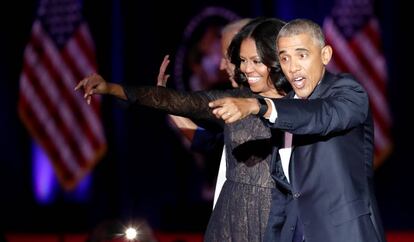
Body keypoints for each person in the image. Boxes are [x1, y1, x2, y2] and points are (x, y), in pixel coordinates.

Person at [75, 17, 290, 242]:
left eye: (253, 60)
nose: (243, 68)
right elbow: (195, 120)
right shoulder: (233, 101)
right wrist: (111, 88)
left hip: (280, 217)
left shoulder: (303, 105)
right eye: (241, 60)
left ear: (274, 59)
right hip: (234, 218)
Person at [209, 18, 386, 242]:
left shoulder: (348, 92)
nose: (292, 67)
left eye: (302, 55)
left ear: (325, 55)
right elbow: (284, 196)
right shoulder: (286, 110)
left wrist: (260, 105)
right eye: (284, 58)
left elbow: (321, 116)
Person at [157, 18, 251, 209]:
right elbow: (210, 144)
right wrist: (166, 103)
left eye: (230, 57)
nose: (222, 66)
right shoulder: (225, 99)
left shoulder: (283, 103)